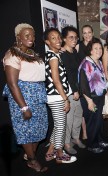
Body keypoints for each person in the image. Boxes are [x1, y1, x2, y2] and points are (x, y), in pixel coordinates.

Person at [2, 23, 48, 172]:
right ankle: (33, 161)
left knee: (39, 129)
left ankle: (29, 155)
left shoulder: (32, 53)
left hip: (37, 95)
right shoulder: (12, 54)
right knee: (26, 131)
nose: (31, 38)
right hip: (22, 95)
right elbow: (12, 83)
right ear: (18, 37)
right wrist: (24, 107)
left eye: (32, 35)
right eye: (26, 35)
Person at [44, 28, 77, 163]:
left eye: (58, 37)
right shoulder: (53, 57)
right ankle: (59, 154)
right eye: (53, 38)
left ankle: (49, 153)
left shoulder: (54, 54)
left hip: (56, 96)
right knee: (61, 127)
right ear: (47, 42)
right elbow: (56, 80)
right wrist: (65, 99)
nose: (57, 40)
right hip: (57, 97)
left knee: (58, 125)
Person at [78, 38, 108, 153]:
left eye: (100, 48)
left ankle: (99, 140)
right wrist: (89, 101)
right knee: (92, 122)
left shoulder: (99, 62)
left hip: (99, 97)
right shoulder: (86, 64)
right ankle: (92, 144)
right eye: (95, 48)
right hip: (90, 98)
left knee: (98, 121)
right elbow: (83, 84)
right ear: (90, 50)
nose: (99, 50)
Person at [60, 26, 85, 155]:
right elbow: (68, 74)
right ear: (64, 39)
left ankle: (75, 138)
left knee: (78, 116)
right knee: (69, 119)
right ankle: (67, 143)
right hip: (70, 91)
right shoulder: (63, 54)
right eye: (71, 37)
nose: (74, 39)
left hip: (79, 90)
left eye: (75, 37)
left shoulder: (75, 52)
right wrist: (74, 90)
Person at [75, 24, 96, 140]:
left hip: (94, 81)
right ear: (82, 35)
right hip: (83, 81)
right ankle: (85, 131)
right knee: (84, 109)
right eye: (85, 32)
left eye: (89, 32)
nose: (87, 34)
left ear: (92, 33)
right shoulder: (78, 46)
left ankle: (93, 129)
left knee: (94, 106)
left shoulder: (96, 46)